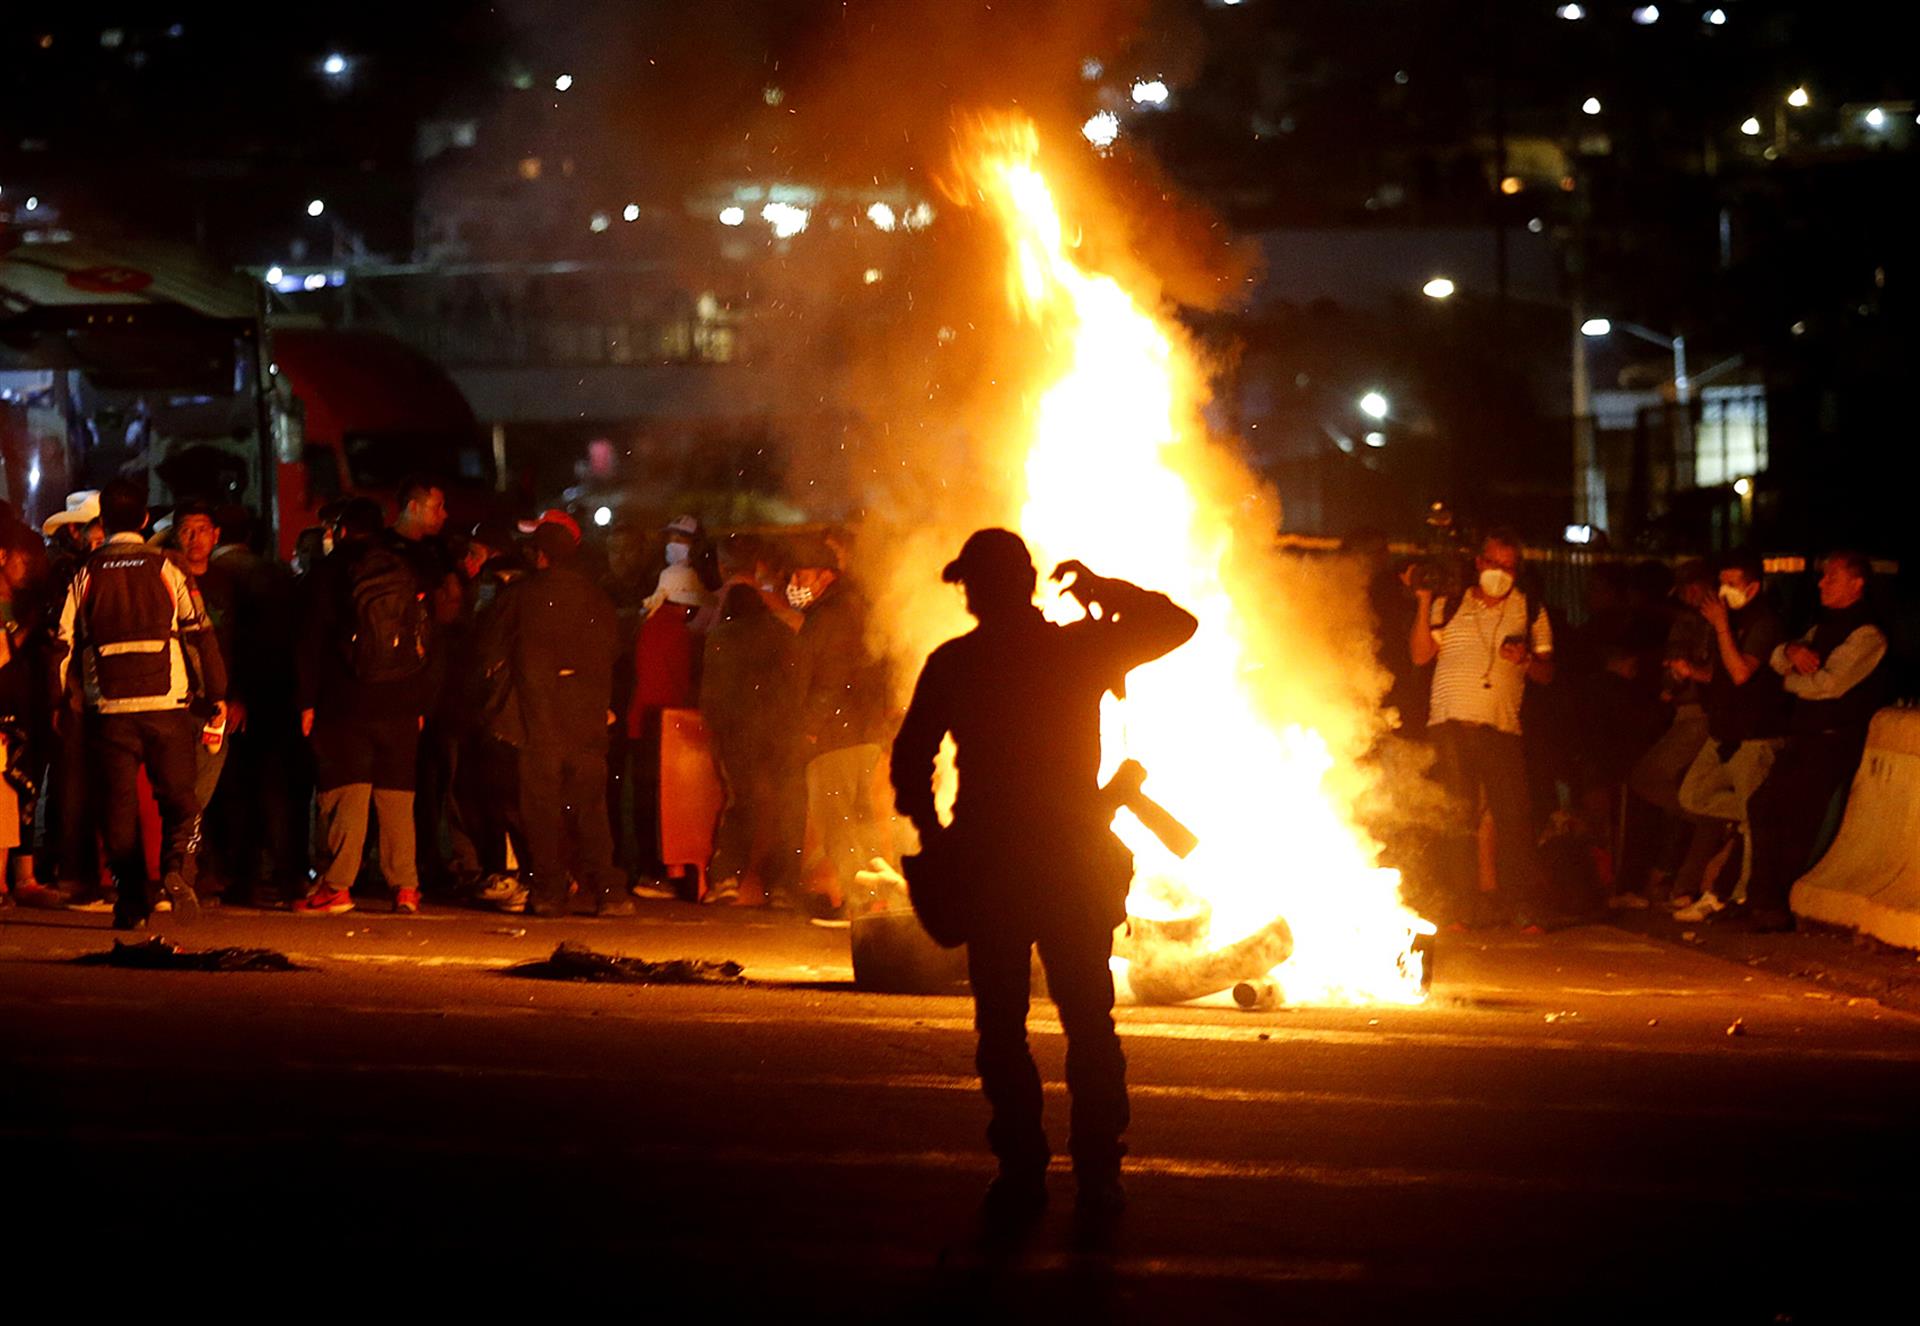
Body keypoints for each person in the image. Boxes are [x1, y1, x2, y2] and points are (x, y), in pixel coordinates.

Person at [890, 529, 1196, 1225]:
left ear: (982, 588)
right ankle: (1094, 1175)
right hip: (1067, 860)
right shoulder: (1077, 649)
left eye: (970, 582)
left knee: (1003, 1028)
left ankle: (1023, 1171)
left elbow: (911, 761)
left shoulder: (958, 662)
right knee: (1088, 1023)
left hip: (996, 862)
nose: (966, 594)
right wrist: (1102, 591)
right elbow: (1177, 624)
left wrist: (937, 837)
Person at [55, 480, 226, 930]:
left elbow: (63, 644)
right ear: (147, 520)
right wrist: (217, 694)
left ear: (103, 522)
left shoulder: (86, 572)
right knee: (180, 800)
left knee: (118, 807)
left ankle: (131, 901)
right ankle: (176, 868)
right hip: (166, 704)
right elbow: (199, 631)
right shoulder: (168, 568)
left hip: (108, 708)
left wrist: (64, 703)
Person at [477, 522, 631, 917]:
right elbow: (613, 650)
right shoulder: (596, 598)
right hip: (587, 720)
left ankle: (549, 891)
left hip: (537, 718)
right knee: (591, 809)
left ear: (539, 555)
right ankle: (610, 892)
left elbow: (490, 653)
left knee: (541, 811)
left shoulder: (521, 596)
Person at [1409, 528, 1557, 928]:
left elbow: (1546, 673)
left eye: (1508, 566)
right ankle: (1460, 909)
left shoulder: (1530, 611)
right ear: (1479, 563)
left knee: (1514, 819)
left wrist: (1526, 659)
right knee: (1457, 820)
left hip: (1501, 728)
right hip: (1449, 725)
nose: (1500, 572)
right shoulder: (1451, 604)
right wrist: (1424, 602)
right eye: (1493, 563)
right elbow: (1421, 655)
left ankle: (1522, 908)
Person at [294, 498, 435, 916]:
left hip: (345, 700)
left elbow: (309, 644)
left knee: (345, 795)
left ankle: (337, 886)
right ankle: (405, 887)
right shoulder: (405, 569)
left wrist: (306, 701)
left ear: (339, 530)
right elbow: (427, 638)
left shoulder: (328, 573)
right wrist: (420, 699)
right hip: (401, 701)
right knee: (397, 798)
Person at [1742, 550, 1889, 933]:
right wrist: (1791, 652)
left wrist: (1787, 679)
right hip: (1805, 736)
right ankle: (1765, 901)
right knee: (1767, 808)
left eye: (1833, 577)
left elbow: (1827, 686)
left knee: (1788, 816)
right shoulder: (1823, 627)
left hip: (1831, 740)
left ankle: (1772, 903)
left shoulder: (1867, 634)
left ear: (1857, 584)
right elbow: (1781, 655)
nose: (1822, 583)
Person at [1667, 553, 1789, 921]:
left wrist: (1721, 626)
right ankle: (1754, 815)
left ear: (1752, 587)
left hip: (1754, 737)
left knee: (1754, 826)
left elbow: (1740, 673)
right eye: (1721, 582)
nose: (1723, 591)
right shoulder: (1728, 621)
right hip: (1723, 732)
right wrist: (1691, 671)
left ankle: (1740, 899)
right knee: (1693, 795)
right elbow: (1719, 676)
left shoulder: (1763, 623)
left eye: (1732, 584)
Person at [699, 535, 804, 907]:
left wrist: (716, 726)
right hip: (779, 732)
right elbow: (795, 684)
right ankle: (783, 887)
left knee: (739, 802)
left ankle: (726, 878)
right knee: (786, 804)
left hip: (738, 733)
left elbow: (710, 693)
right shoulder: (782, 634)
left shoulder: (720, 639)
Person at [793, 532, 893, 915]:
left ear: (824, 576)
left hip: (837, 736)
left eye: (802, 576)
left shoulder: (830, 616)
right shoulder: (856, 609)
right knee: (862, 822)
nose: (796, 585)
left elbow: (829, 678)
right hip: (864, 733)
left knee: (837, 823)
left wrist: (811, 725)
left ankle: (860, 899)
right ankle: (880, 901)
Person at [625, 514, 712, 898]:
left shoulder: (653, 626)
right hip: (666, 727)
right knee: (663, 804)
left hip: (647, 724)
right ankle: (658, 872)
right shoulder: (676, 632)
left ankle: (654, 871)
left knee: (651, 802)